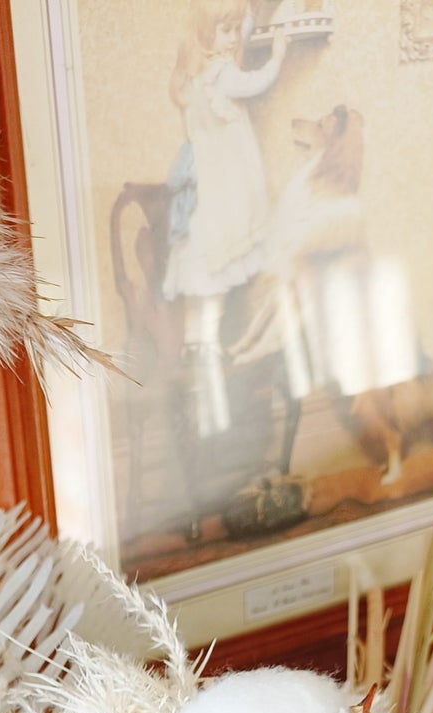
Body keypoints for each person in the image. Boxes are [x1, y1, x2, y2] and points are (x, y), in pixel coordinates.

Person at [164, 4, 289, 436]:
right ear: (205, 34)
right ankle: (207, 350)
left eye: (236, 29)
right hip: (226, 193)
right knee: (213, 275)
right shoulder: (223, 75)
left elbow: (238, 33)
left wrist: (248, 17)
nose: (234, 37)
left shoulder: (194, 78)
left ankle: (198, 345)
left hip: (207, 191)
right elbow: (257, 80)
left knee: (203, 278)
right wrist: (277, 54)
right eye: (226, 29)